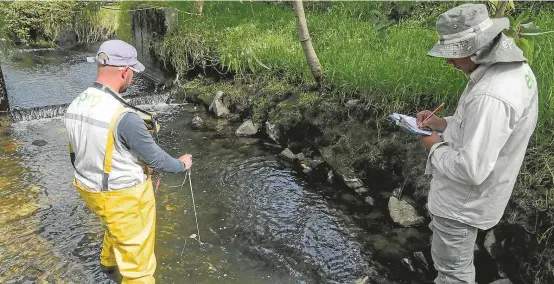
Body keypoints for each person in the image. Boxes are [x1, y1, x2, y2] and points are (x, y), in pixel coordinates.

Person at [417, 4, 538, 284]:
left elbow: (472, 169)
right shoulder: (515, 69)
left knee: (453, 275)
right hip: (476, 199)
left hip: (462, 204)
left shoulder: (491, 94)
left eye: (454, 55)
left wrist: (434, 146)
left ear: (476, 48)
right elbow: (483, 129)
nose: (450, 62)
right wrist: (442, 124)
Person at [64, 40, 192, 283]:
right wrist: (181, 164)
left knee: (114, 227)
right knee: (139, 269)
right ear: (124, 71)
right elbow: (156, 159)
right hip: (125, 199)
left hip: (90, 191)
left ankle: (108, 266)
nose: (132, 76)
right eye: (132, 71)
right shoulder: (125, 117)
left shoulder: (76, 103)